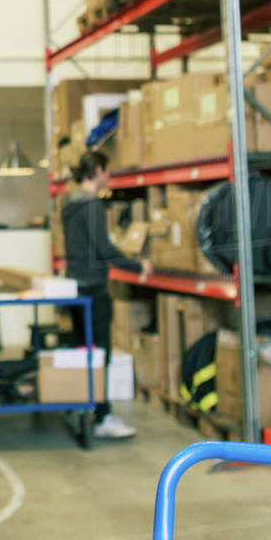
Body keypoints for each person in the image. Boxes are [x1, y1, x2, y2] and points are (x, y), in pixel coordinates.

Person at [61, 149, 152, 439]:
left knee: (82, 350)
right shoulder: (91, 205)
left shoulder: (68, 202)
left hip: (74, 286)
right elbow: (105, 250)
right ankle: (101, 417)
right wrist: (138, 265)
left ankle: (79, 407)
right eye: (107, 171)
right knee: (100, 354)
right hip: (94, 288)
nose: (109, 176)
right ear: (98, 170)